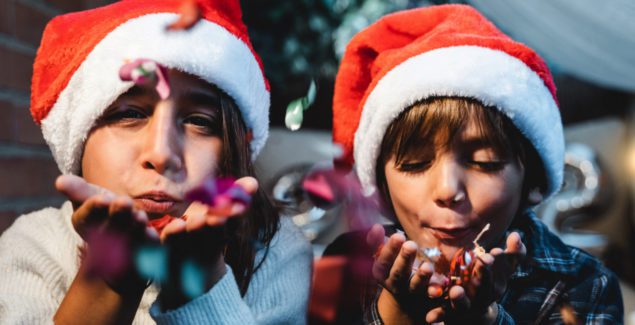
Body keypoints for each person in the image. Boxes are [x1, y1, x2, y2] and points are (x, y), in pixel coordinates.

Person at [0, 0, 312, 323]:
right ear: (79, 140)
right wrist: (107, 285)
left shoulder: (276, 251)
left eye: (200, 121)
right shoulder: (33, 246)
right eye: (130, 114)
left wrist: (201, 285)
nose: (161, 155)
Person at [327, 4, 624, 324]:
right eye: (414, 164)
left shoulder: (584, 285)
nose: (447, 190)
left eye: (485, 163)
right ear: (381, 184)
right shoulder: (346, 268)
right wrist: (393, 315)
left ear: (534, 181)